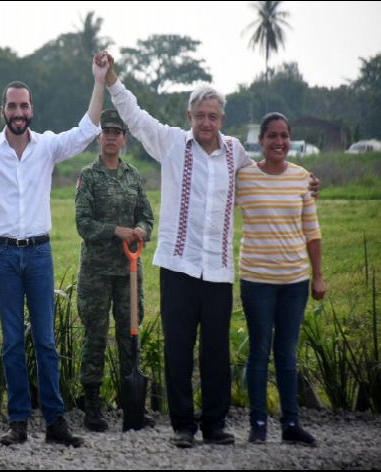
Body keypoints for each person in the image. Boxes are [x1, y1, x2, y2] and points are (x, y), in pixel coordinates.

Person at [100, 52, 319, 448]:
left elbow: (267, 177)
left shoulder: (235, 152)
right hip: (178, 265)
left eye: (213, 116)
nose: (206, 122)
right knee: (178, 348)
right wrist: (111, 77)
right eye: (200, 115)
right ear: (189, 116)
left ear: (222, 120)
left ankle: (215, 425)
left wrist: (305, 182)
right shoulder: (169, 142)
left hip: (217, 270)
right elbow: (133, 115)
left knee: (216, 351)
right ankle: (183, 426)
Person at [0, 55, 110, 447]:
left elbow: (86, 129)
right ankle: (17, 422)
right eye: (12, 106)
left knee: (45, 341)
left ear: (32, 110)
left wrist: (99, 81)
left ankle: (55, 422)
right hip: (4, 256)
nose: (18, 112)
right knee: (13, 340)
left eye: (24, 106)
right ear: (3, 111)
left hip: (40, 255)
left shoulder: (46, 147)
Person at [236, 112, 324, 447]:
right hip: (256, 279)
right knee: (259, 351)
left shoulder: (302, 178)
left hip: (295, 281)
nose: (279, 142)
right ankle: (258, 424)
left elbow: (312, 232)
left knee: (287, 353)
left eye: (285, 136)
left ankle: (291, 424)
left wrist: (318, 277)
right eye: (272, 136)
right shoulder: (244, 177)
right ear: (260, 140)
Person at [75, 109, 155, 431]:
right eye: (105, 131)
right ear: (99, 137)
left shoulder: (133, 176)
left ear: (124, 137)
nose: (110, 137)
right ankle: (92, 407)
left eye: (116, 132)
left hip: (128, 273)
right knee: (95, 337)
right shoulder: (88, 176)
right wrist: (115, 231)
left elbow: (147, 218)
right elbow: (83, 224)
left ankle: (131, 407)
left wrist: (139, 230)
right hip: (96, 272)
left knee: (129, 337)